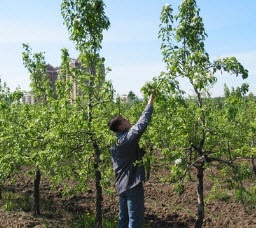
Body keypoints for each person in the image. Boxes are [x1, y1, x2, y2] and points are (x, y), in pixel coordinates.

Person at [108, 94, 154, 228]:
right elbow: (141, 124)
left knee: (123, 219)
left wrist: (141, 151)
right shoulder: (126, 139)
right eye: (124, 120)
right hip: (132, 184)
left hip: (121, 185)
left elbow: (127, 157)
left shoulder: (115, 142)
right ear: (121, 127)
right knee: (135, 221)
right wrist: (150, 102)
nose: (127, 119)